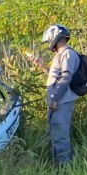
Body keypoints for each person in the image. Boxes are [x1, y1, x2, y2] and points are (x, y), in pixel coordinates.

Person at [32, 24, 80, 165]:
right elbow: (57, 77)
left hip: (61, 102)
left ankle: (65, 171)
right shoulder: (61, 55)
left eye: (49, 40)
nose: (48, 44)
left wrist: (55, 99)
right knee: (55, 135)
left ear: (55, 37)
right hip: (58, 101)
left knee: (60, 137)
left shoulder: (67, 54)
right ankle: (57, 167)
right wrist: (42, 66)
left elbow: (65, 78)